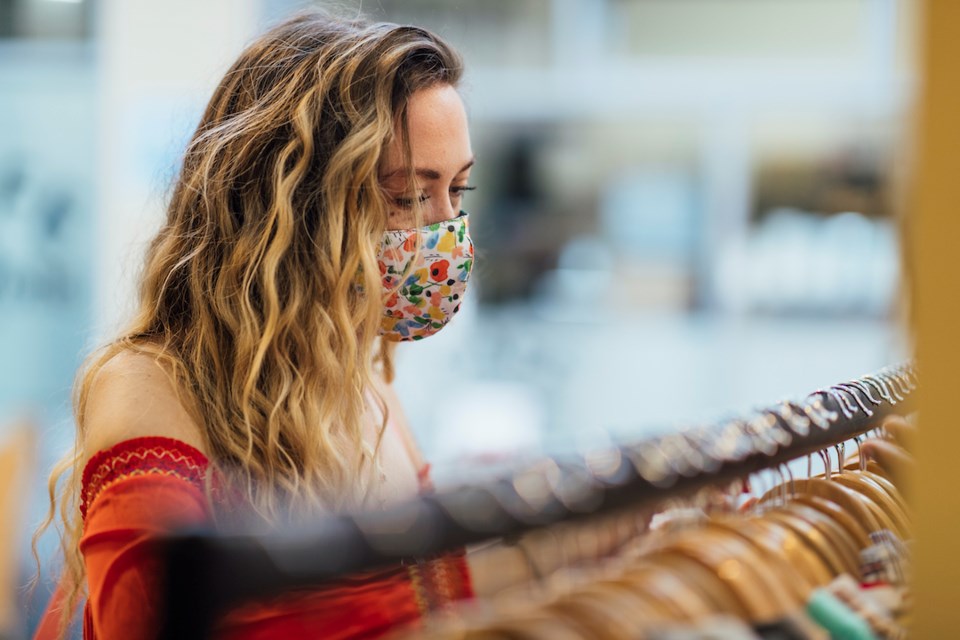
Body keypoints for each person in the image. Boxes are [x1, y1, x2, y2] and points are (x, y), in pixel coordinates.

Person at [34, 11, 477, 639]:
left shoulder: (364, 384)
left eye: (460, 191)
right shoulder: (152, 388)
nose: (446, 232)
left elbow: (433, 600)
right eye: (408, 196)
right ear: (293, 203)